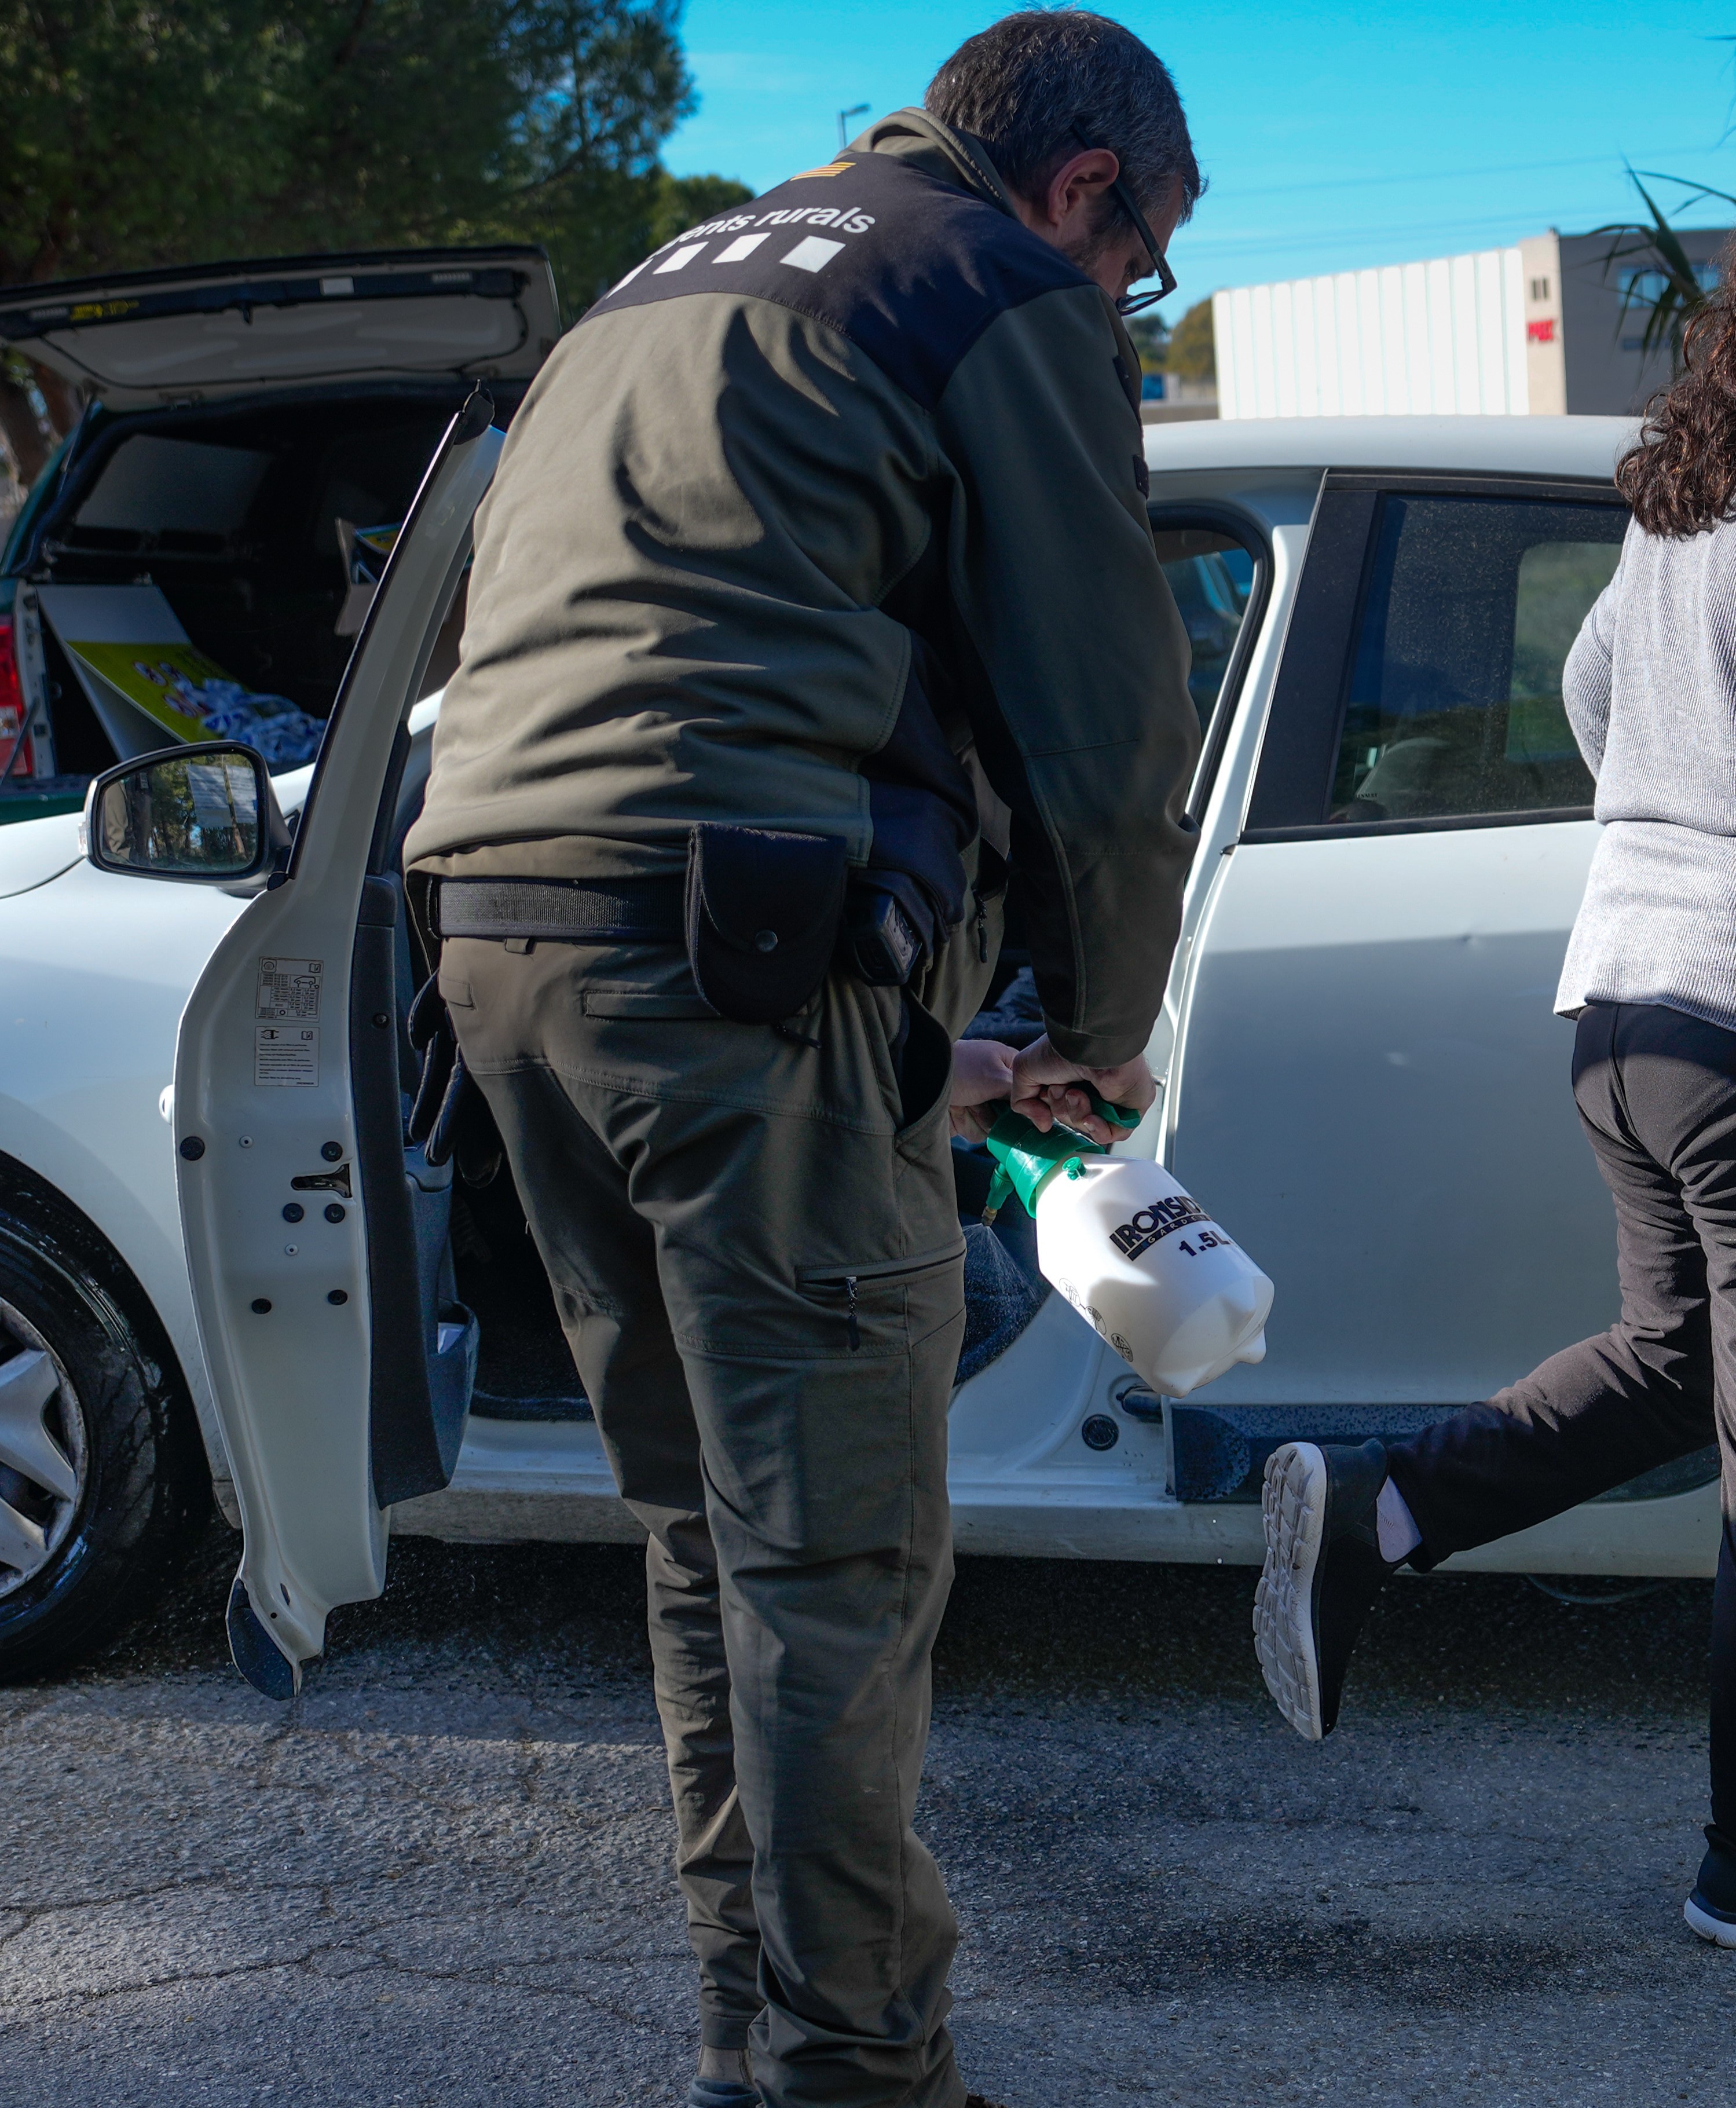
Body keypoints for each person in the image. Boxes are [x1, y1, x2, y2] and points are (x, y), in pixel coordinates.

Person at [402, 15, 1206, 2103]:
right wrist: (1098, 1034)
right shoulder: (993, 286)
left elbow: (685, 662)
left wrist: (928, 1059)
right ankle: (859, 2079)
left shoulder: (665, 282)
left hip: (500, 940)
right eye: (1147, 261)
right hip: (735, 954)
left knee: (704, 1534)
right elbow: (1109, 733)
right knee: (834, 1566)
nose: (1131, 299)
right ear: (1089, 188)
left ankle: (744, 2034)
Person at [1248, 134, 1736, 1950]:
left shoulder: (1702, 482)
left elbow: (1595, 689)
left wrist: (1690, 854)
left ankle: (1382, 1510)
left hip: (1629, 1018)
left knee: (1684, 1366)